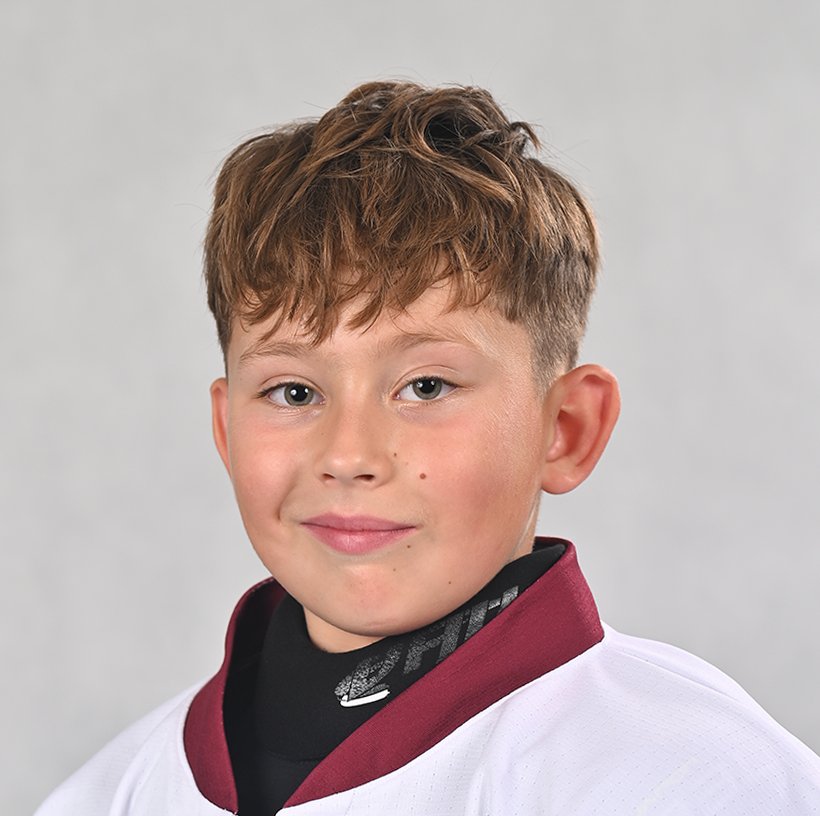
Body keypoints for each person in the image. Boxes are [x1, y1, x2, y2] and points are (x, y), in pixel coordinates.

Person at [36, 81, 820, 815]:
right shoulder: (108, 795)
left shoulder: (700, 781)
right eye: (294, 393)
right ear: (227, 431)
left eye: (426, 386)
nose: (349, 455)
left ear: (566, 429)